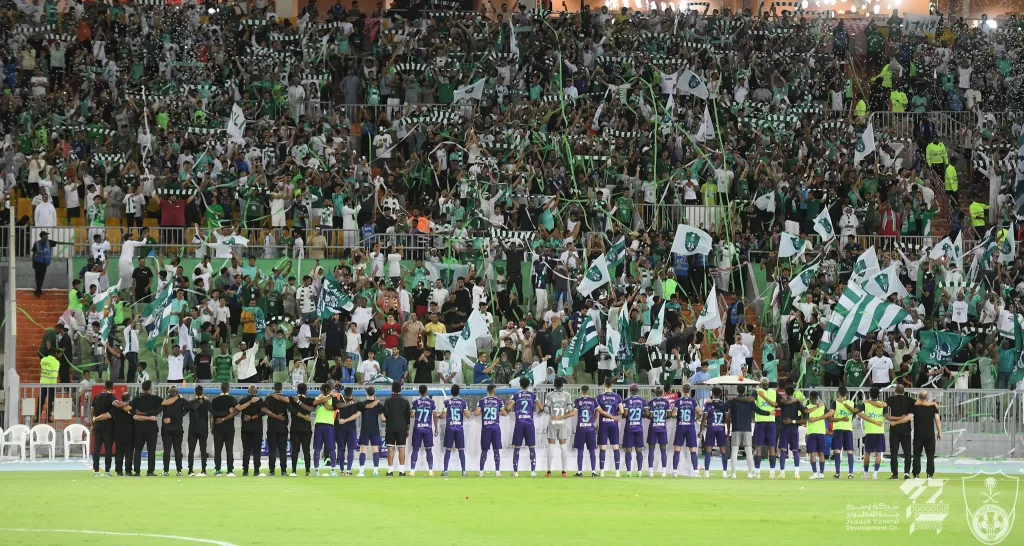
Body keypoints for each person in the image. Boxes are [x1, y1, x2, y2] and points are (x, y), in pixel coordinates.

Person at [121, 380, 163, 477]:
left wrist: (135, 413)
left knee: (138, 450)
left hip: (139, 428)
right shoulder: (155, 398)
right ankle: (150, 471)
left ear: (142, 388)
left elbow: (127, 408)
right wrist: (153, 413)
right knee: (151, 450)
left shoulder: (137, 399)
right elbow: (164, 404)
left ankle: (137, 471)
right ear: (150, 389)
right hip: (152, 428)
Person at [506, 377, 543, 477]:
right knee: (531, 447)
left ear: (520, 384)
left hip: (519, 423)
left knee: (517, 447)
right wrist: (538, 413)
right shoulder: (533, 395)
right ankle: (533, 471)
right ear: (528, 385)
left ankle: (515, 472)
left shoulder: (516, 395)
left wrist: (508, 409)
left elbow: (508, 407)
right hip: (529, 423)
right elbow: (541, 407)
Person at [725, 386, 757, 479]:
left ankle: (733, 473)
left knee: (734, 451)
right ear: (745, 391)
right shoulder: (749, 401)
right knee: (748, 451)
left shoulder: (733, 401)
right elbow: (758, 410)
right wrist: (768, 413)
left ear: (737, 390)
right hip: (747, 428)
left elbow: (723, 407)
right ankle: (750, 473)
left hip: (736, 428)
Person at [544, 376, 574, 477]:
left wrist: (553, 415)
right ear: (562, 385)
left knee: (551, 446)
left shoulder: (549, 395)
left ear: (554, 385)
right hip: (562, 422)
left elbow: (546, 409)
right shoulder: (567, 395)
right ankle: (564, 471)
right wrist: (563, 414)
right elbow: (570, 409)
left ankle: (548, 471)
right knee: (563, 447)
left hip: (552, 422)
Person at [776, 385, 808, 480]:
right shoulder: (796, 403)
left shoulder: (783, 403)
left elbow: (777, 404)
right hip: (794, 429)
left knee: (783, 451)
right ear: (793, 393)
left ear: (785, 393)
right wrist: (799, 420)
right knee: (795, 451)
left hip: (784, 429)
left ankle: (782, 473)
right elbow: (805, 412)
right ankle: (797, 474)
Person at [671, 384, 702, 478]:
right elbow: (700, 412)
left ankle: (675, 472)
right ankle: (696, 472)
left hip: (680, 427)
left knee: (677, 449)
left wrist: (676, 414)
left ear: (682, 390)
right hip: (690, 427)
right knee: (692, 449)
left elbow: (674, 414)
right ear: (690, 391)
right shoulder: (693, 401)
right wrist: (695, 419)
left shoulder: (678, 401)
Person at [475, 384, 506, 477]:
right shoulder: (499, 401)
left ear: (487, 390)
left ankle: (481, 472)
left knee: (484, 450)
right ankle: (497, 472)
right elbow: (504, 413)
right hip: (495, 428)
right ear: (494, 390)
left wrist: (482, 411)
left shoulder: (482, 401)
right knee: (496, 450)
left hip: (486, 428)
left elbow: (476, 413)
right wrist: (499, 412)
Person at [886, 384, 915, 479]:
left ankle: (895, 474)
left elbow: (884, 407)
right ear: (904, 391)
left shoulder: (891, 399)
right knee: (907, 453)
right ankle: (906, 473)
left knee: (894, 453)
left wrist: (894, 420)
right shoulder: (910, 400)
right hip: (906, 429)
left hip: (894, 429)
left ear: (895, 391)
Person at [211, 383, 240, 477]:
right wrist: (227, 414)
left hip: (217, 428)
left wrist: (212, 427)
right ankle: (230, 470)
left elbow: (211, 415)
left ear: (220, 389)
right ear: (228, 389)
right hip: (229, 428)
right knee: (229, 450)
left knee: (217, 450)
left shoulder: (215, 400)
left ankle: (218, 470)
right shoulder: (232, 399)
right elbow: (236, 411)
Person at [383, 382, 412, 476]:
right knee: (401, 449)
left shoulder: (388, 401)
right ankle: (401, 471)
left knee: (390, 449)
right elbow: (408, 418)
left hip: (390, 427)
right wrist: (407, 429)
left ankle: (390, 471)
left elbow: (385, 415)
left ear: (392, 389)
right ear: (400, 389)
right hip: (402, 428)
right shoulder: (405, 401)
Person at [700, 387, 730, 478]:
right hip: (721, 428)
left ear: (712, 394)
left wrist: (701, 431)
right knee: (723, 451)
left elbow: (704, 418)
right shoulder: (724, 405)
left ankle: (706, 472)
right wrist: (728, 430)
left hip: (711, 428)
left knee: (708, 450)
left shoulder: (708, 405)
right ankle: (724, 472)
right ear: (721, 394)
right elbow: (728, 419)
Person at [441, 384, 471, 477]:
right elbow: (468, 415)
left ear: (451, 392)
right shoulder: (463, 402)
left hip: (450, 428)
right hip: (459, 429)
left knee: (448, 450)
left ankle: (445, 471)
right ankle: (464, 471)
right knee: (461, 450)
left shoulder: (447, 402)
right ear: (459, 392)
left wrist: (438, 415)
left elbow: (443, 415)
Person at [910, 391, 942, 479]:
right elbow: (937, 420)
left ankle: (916, 474)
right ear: (928, 398)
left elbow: (910, 417)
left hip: (918, 434)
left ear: (919, 397)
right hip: (929, 434)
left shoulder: (915, 406)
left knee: (916, 454)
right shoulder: (933, 406)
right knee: (930, 455)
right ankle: (930, 474)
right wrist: (939, 432)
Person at [596, 378, 623, 477]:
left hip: (603, 424)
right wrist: (615, 414)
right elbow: (622, 411)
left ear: (604, 385)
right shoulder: (617, 397)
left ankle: (602, 471)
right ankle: (617, 471)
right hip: (613, 424)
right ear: (612, 385)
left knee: (603, 447)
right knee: (615, 447)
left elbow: (598, 411)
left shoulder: (599, 397)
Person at [238, 385, 268, 477]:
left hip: (246, 428)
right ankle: (256, 470)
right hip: (257, 428)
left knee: (246, 450)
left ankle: (245, 471)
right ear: (256, 391)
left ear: (248, 391)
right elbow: (263, 412)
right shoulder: (260, 401)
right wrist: (253, 417)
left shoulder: (243, 401)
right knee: (257, 450)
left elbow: (238, 409)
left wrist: (248, 417)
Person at [159, 385, 189, 476]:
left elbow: (158, 410)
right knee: (177, 450)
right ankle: (179, 470)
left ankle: (166, 471)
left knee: (167, 450)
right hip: (177, 428)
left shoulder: (165, 401)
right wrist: (179, 416)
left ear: (168, 392)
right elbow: (188, 408)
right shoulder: (181, 400)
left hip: (167, 428)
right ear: (177, 392)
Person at [752, 378, 778, 479]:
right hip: (769, 422)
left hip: (762, 422)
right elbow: (776, 404)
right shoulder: (773, 392)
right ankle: (771, 473)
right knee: (771, 448)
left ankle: (758, 472)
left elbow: (752, 403)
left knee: (759, 447)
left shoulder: (757, 392)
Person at [830, 386, 859, 479]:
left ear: (838, 393)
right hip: (848, 429)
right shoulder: (851, 403)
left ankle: (838, 474)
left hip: (838, 429)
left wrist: (839, 418)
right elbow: (854, 413)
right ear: (846, 394)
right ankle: (850, 473)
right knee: (849, 451)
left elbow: (830, 416)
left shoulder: (835, 403)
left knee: (837, 451)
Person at [570, 385, 599, 477]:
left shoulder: (578, 401)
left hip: (581, 429)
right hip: (590, 428)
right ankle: (593, 471)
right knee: (592, 451)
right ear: (588, 391)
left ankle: (580, 471)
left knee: (580, 451)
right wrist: (593, 420)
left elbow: (574, 413)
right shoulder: (593, 401)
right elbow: (597, 413)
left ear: (581, 391)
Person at [311, 383, 339, 477]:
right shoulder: (318, 398)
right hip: (320, 425)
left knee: (331, 448)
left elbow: (329, 408)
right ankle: (316, 470)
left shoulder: (333, 399)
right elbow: (314, 404)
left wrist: (325, 399)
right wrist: (325, 398)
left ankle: (333, 470)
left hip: (329, 425)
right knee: (317, 449)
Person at [860, 387, 888, 480]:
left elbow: (858, 412)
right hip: (879, 431)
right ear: (879, 395)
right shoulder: (883, 405)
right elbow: (886, 416)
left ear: (869, 394)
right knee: (878, 453)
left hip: (870, 431)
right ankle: (875, 474)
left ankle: (865, 474)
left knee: (867, 453)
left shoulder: (865, 404)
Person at [409, 384, 437, 477]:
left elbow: (412, 415)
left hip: (418, 428)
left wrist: (412, 411)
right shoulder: (432, 402)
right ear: (427, 392)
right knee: (429, 450)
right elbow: (435, 415)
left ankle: (412, 471)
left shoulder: (415, 402)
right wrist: (436, 428)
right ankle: (430, 470)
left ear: (419, 392)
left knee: (415, 449)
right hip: (428, 429)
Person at [90, 380, 116, 476]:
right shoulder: (112, 398)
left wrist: (92, 424)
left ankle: (96, 470)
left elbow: (92, 411)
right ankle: (107, 470)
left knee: (96, 448)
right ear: (112, 387)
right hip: (108, 426)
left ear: (104, 387)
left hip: (97, 425)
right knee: (108, 448)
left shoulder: (96, 397)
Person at [357, 386, 384, 477]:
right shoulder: (378, 405)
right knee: (375, 451)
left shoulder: (361, 404)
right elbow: (383, 418)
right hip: (375, 430)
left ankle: (361, 471)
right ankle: (375, 471)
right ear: (374, 393)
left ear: (366, 393)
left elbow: (358, 415)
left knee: (363, 450)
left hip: (364, 429)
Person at [264, 382, 291, 476]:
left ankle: (272, 471)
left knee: (272, 450)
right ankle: (283, 471)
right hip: (282, 427)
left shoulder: (269, 398)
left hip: (272, 426)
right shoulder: (284, 398)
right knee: (282, 450)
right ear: (281, 388)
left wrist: (274, 416)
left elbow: (264, 410)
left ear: (274, 388)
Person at [288, 383, 315, 477]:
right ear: (306, 391)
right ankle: (307, 471)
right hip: (306, 429)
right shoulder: (309, 400)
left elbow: (293, 411)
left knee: (295, 451)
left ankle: (294, 471)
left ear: (297, 391)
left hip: (295, 428)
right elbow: (311, 408)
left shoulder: (291, 400)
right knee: (306, 450)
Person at [645, 387, 671, 478]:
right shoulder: (666, 402)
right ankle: (664, 472)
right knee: (663, 449)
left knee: (651, 449)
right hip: (662, 428)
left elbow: (650, 415)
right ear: (663, 392)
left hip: (653, 427)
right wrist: (663, 418)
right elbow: (669, 415)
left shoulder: (651, 402)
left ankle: (650, 472)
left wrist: (649, 417)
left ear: (655, 393)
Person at [621, 384, 646, 478]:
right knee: (639, 450)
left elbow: (626, 414)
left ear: (630, 390)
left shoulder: (626, 401)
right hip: (639, 427)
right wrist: (641, 415)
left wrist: (623, 415)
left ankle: (628, 472)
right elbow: (646, 413)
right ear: (638, 391)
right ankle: (639, 471)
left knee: (628, 450)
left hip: (629, 428)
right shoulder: (642, 401)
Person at [335, 386, 360, 475]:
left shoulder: (341, 403)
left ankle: (342, 470)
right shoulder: (356, 403)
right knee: (350, 450)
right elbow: (357, 414)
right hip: (351, 429)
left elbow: (337, 414)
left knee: (341, 449)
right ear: (352, 393)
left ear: (344, 394)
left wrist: (342, 420)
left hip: (341, 429)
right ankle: (348, 470)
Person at [804, 391, 829, 480]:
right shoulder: (822, 407)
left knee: (812, 454)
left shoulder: (808, 407)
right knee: (821, 453)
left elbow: (807, 417)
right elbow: (829, 414)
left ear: (810, 398)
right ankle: (821, 474)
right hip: (821, 432)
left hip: (811, 432)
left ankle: (815, 473)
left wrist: (816, 418)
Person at [187, 385, 210, 477]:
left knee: (191, 450)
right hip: (203, 429)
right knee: (203, 450)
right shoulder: (206, 402)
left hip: (193, 429)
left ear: (195, 392)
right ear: (202, 392)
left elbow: (192, 408)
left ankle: (190, 470)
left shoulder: (191, 402)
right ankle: (204, 470)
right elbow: (214, 411)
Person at [112, 392, 135, 476]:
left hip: (118, 432)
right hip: (129, 432)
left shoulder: (116, 408)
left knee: (119, 452)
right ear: (129, 399)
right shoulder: (131, 408)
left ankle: (119, 471)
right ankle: (128, 471)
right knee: (129, 452)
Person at [38, 352, 59, 422]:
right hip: (51, 384)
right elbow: (54, 374)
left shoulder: (43, 360)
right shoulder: (56, 362)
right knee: (50, 401)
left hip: (43, 383)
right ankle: (47, 418)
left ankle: (37, 416)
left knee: (41, 400)